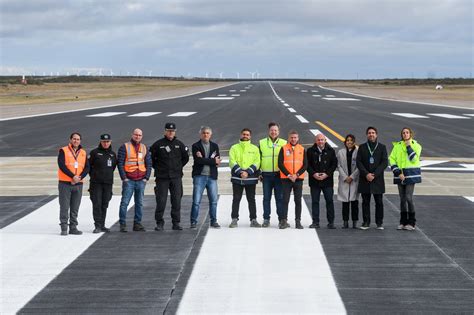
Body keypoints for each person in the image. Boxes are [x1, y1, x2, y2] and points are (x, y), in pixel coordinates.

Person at [150, 122, 189, 231]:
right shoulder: (157, 145)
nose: (171, 132)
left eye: (172, 131)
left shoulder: (179, 144)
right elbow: (151, 160)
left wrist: (178, 167)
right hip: (162, 178)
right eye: (169, 130)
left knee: (176, 200)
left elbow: (185, 158)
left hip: (176, 177)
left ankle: (176, 223)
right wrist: (159, 169)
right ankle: (159, 222)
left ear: (175, 132)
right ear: (165, 131)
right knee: (161, 200)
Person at [117, 128, 152, 232]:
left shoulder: (144, 147)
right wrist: (124, 178)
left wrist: (146, 177)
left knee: (139, 203)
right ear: (132, 135)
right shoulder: (124, 147)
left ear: (142, 136)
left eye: (140, 135)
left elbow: (148, 163)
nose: (137, 137)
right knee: (125, 203)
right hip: (129, 180)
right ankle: (122, 224)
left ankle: (137, 224)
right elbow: (120, 163)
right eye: (136, 135)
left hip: (141, 180)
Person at [389, 127, 422, 231]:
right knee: (402, 199)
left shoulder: (417, 146)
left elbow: (413, 159)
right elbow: (392, 159)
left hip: (411, 175)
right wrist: (398, 172)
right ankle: (403, 222)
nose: (405, 134)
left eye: (407, 132)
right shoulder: (397, 146)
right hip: (400, 175)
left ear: (410, 134)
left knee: (408, 197)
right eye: (403, 133)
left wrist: (408, 146)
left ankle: (412, 222)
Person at [356, 126, 388, 230]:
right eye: (369, 133)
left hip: (377, 179)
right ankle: (366, 222)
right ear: (367, 135)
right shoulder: (362, 147)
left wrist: (374, 174)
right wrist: (366, 174)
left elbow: (384, 163)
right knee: (365, 202)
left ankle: (379, 223)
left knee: (379, 202)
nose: (371, 134)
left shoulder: (382, 147)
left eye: (373, 133)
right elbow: (359, 162)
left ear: (376, 134)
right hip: (365, 178)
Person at [57, 132, 89, 235]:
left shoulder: (83, 152)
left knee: (75, 207)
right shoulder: (64, 150)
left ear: (80, 141)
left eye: (78, 139)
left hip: (78, 184)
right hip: (65, 183)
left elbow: (87, 167)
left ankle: (73, 227)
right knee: (64, 206)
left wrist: (79, 177)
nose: (76, 141)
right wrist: (73, 176)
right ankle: (64, 228)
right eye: (74, 139)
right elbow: (61, 165)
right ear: (70, 140)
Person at [229, 128, 261, 228]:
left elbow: (257, 162)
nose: (245, 136)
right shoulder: (234, 147)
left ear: (250, 136)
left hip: (250, 179)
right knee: (236, 199)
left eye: (247, 135)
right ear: (240, 135)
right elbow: (232, 161)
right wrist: (240, 172)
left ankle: (253, 219)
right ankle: (234, 219)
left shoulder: (255, 148)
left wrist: (247, 172)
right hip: (237, 178)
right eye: (244, 134)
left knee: (251, 199)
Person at [190, 126, 221, 229]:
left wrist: (204, 159)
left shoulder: (215, 146)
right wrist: (212, 161)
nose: (205, 135)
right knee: (196, 201)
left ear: (210, 135)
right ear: (200, 134)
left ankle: (213, 221)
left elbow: (218, 161)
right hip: (199, 176)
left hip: (212, 177)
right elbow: (198, 161)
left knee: (213, 201)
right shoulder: (196, 146)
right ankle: (193, 221)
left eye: (207, 133)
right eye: (204, 133)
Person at [258, 122, 287, 227]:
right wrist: (259, 172)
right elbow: (258, 159)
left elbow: (287, 160)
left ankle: (281, 220)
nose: (273, 132)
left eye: (275, 130)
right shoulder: (261, 143)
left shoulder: (284, 143)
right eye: (272, 130)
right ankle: (266, 219)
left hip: (279, 175)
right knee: (266, 198)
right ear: (268, 131)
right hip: (266, 175)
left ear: (278, 131)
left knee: (279, 198)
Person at [307, 133, 338, 229]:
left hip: (327, 181)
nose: (320, 141)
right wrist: (314, 174)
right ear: (316, 141)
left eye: (322, 140)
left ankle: (331, 222)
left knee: (329, 201)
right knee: (315, 202)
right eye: (318, 140)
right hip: (314, 180)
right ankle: (315, 222)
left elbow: (334, 164)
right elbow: (307, 165)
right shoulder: (310, 151)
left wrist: (326, 174)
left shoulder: (331, 151)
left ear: (325, 141)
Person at [88, 134, 117, 233]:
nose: (106, 143)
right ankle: (97, 226)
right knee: (97, 204)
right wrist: (95, 175)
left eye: (108, 141)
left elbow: (112, 167)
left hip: (108, 183)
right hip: (96, 183)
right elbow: (89, 167)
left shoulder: (113, 154)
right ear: (100, 142)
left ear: (110, 142)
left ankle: (102, 225)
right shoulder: (94, 153)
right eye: (104, 141)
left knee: (105, 204)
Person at [278, 130, 307, 229]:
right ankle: (284, 221)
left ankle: (298, 221)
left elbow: (305, 164)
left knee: (298, 200)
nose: (293, 139)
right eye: (291, 137)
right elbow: (280, 164)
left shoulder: (302, 149)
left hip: (298, 179)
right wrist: (289, 175)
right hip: (286, 179)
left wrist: (297, 175)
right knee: (285, 200)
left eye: (295, 137)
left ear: (298, 138)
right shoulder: (283, 148)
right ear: (288, 138)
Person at [336, 134, 360, 229]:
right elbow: (339, 166)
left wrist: (352, 176)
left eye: (351, 140)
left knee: (355, 202)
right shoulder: (340, 152)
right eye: (347, 140)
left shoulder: (358, 152)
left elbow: (359, 166)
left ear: (354, 142)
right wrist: (345, 177)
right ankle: (345, 222)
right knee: (345, 202)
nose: (349, 142)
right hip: (344, 180)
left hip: (354, 180)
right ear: (345, 142)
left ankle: (355, 222)